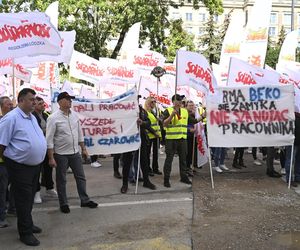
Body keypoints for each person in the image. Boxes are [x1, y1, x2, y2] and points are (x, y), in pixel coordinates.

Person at [0, 88, 47, 246]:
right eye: (31, 99)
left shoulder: (31, 117)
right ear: (20, 101)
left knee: (29, 197)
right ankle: (25, 233)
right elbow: (1, 144)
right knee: (23, 199)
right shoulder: (11, 118)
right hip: (19, 166)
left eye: (35, 99)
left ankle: (28, 223)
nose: (34, 102)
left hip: (34, 166)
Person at [46, 92, 98, 214]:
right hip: (60, 154)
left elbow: (79, 133)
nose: (70, 101)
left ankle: (84, 200)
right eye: (67, 99)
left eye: (70, 99)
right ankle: (63, 203)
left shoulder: (74, 116)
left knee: (81, 177)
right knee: (61, 180)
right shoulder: (53, 118)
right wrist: (51, 157)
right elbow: (49, 139)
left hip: (75, 153)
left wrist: (84, 149)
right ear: (60, 102)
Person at [120, 102, 157, 193]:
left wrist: (142, 122)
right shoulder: (125, 110)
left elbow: (148, 122)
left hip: (141, 138)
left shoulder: (142, 110)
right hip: (129, 139)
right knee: (127, 161)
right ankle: (125, 184)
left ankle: (146, 181)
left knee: (144, 160)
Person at [162, 94, 192, 188]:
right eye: (177, 100)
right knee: (169, 160)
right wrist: (171, 115)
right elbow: (164, 124)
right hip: (171, 140)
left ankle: (183, 177)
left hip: (182, 139)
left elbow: (192, 121)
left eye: (180, 100)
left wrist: (202, 116)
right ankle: (166, 179)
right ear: (173, 101)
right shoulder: (168, 110)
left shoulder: (185, 111)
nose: (179, 102)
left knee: (183, 159)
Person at [32, 97, 57, 204]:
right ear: (34, 105)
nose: (43, 105)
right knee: (37, 171)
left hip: (47, 147)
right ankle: (36, 192)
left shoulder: (46, 115)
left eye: (43, 103)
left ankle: (49, 188)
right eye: (40, 103)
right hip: (37, 147)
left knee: (48, 168)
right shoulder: (32, 117)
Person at [0, 96, 14, 228]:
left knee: (13, 186)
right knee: (2, 189)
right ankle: (1, 217)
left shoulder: (14, 120)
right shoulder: (2, 121)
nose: (11, 105)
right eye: (8, 104)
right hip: (2, 162)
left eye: (11, 104)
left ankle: (12, 209)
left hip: (12, 161)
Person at [144, 97, 162, 175]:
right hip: (149, 135)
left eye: (154, 102)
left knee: (156, 153)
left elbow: (161, 120)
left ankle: (155, 168)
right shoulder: (145, 112)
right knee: (147, 153)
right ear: (148, 102)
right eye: (152, 102)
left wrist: (160, 119)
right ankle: (148, 169)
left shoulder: (157, 111)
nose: (153, 103)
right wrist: (154, 132)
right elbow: (147, 125)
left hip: (157, 135)